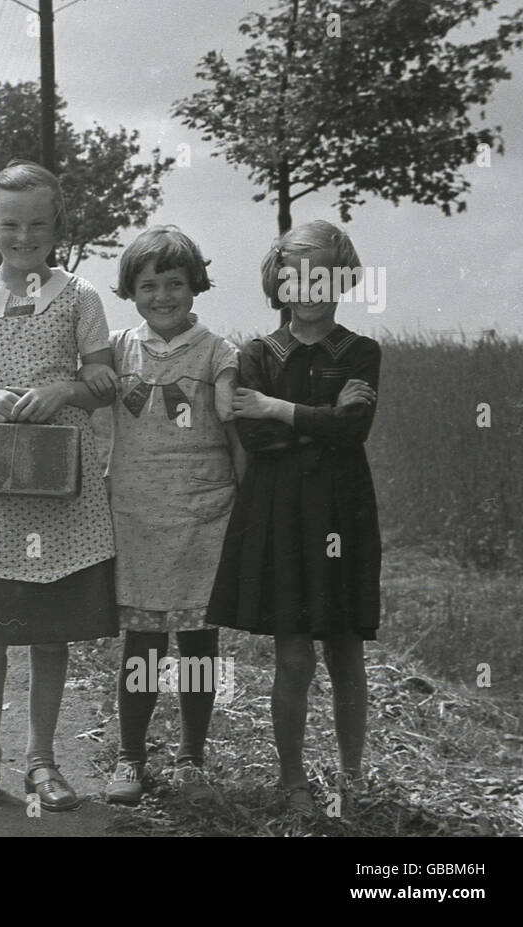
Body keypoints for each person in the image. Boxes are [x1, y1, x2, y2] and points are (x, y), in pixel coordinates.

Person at [0, 161, 118, 811]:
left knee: (49, 634)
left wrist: (65, 387)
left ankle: (42, 759)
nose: (23, 235)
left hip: (57, 491)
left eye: (38, 222)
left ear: (58, 225)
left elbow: (106, 382)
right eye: (9, 222)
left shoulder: (81, 297)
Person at [208, 220, 381, 815]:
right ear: (279, 284)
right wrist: (320, 420)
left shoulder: (362, 352)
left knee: (344, 649)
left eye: (325, 275)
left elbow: (355, 427)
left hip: (342, 512)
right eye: (297, 276)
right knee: (293, 657)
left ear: (344, 279)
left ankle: (352, 778)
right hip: (281, 515)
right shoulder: (256, 354)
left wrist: (280, 409)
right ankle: (293, 779)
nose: (311, 287)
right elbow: (254, 437)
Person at [100, 227, 243, 806]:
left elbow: (236, 434)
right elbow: (82, 394)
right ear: (131, 289)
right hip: (135, 515)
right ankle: (130, 758)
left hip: (205, 513)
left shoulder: (219, 352)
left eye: (175, 283)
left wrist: (246, 502)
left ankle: (192, 758)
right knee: (143, 642)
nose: (162, 295)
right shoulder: (113, 349)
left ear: (195, 286)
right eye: (148, 284)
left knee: (200, 642)